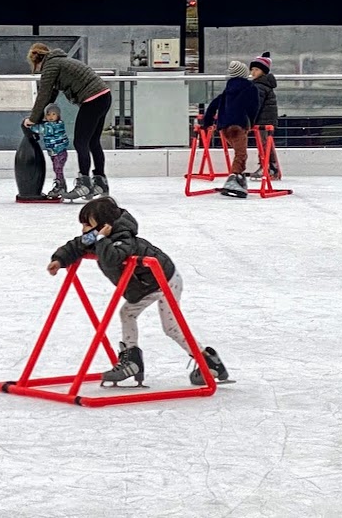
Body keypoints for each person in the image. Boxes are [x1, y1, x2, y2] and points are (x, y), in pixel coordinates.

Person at [46, 197, 228, 387]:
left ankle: (208, 360)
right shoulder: (98, 237)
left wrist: (100, 239)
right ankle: (132, 359)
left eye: (87, 224)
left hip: (165, 281)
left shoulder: (124, 238)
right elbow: (77, 245)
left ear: (104, 226)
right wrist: (60, 260)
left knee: (171, 328)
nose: (83, 229)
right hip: (144, 286)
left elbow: (111, 258)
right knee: (127, 313)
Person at [24, 43, 111, 201]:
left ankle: (84, 184)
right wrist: (41, 115)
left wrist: (32, 119)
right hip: (104, 96)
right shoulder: (60, 62)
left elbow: (43, 94)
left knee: (80, 142)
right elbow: (51, 94)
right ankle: (100, 182)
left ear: (37, 60)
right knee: (93, 142)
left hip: (92, 99)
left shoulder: (50, 66)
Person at [201, 60, 261, 198]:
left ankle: (239, 178)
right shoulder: (250, 88)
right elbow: (253, 107)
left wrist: (207, 123)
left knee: (238, 152)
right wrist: (251, 123)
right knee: (241, 154)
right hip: (239, 125)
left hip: (224, 127)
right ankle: (234, 179)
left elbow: (212, 106)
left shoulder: (227, 90)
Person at [249, 51, 281, 180]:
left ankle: (267, 166)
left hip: (263, 121)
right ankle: (271, 166)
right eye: (252, 69)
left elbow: (256, 105)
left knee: (263, 145)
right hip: (266, 120)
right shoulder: (263, 85)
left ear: (263, 71)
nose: (253, 72)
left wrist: (250, 119)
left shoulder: (259, 86)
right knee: (266, 144)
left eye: (256, 69)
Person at [31, 102, 70, 199]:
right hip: (54, 151)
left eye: (53, 114)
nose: (51, 117)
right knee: (57, 169)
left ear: (58, 115)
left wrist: (30, 125)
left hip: (59, 151)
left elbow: (41, 129)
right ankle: (62, 186)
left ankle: (60, 186)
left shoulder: (55, 126)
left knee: (58, 168)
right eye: (48, 114)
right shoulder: (49, 124)